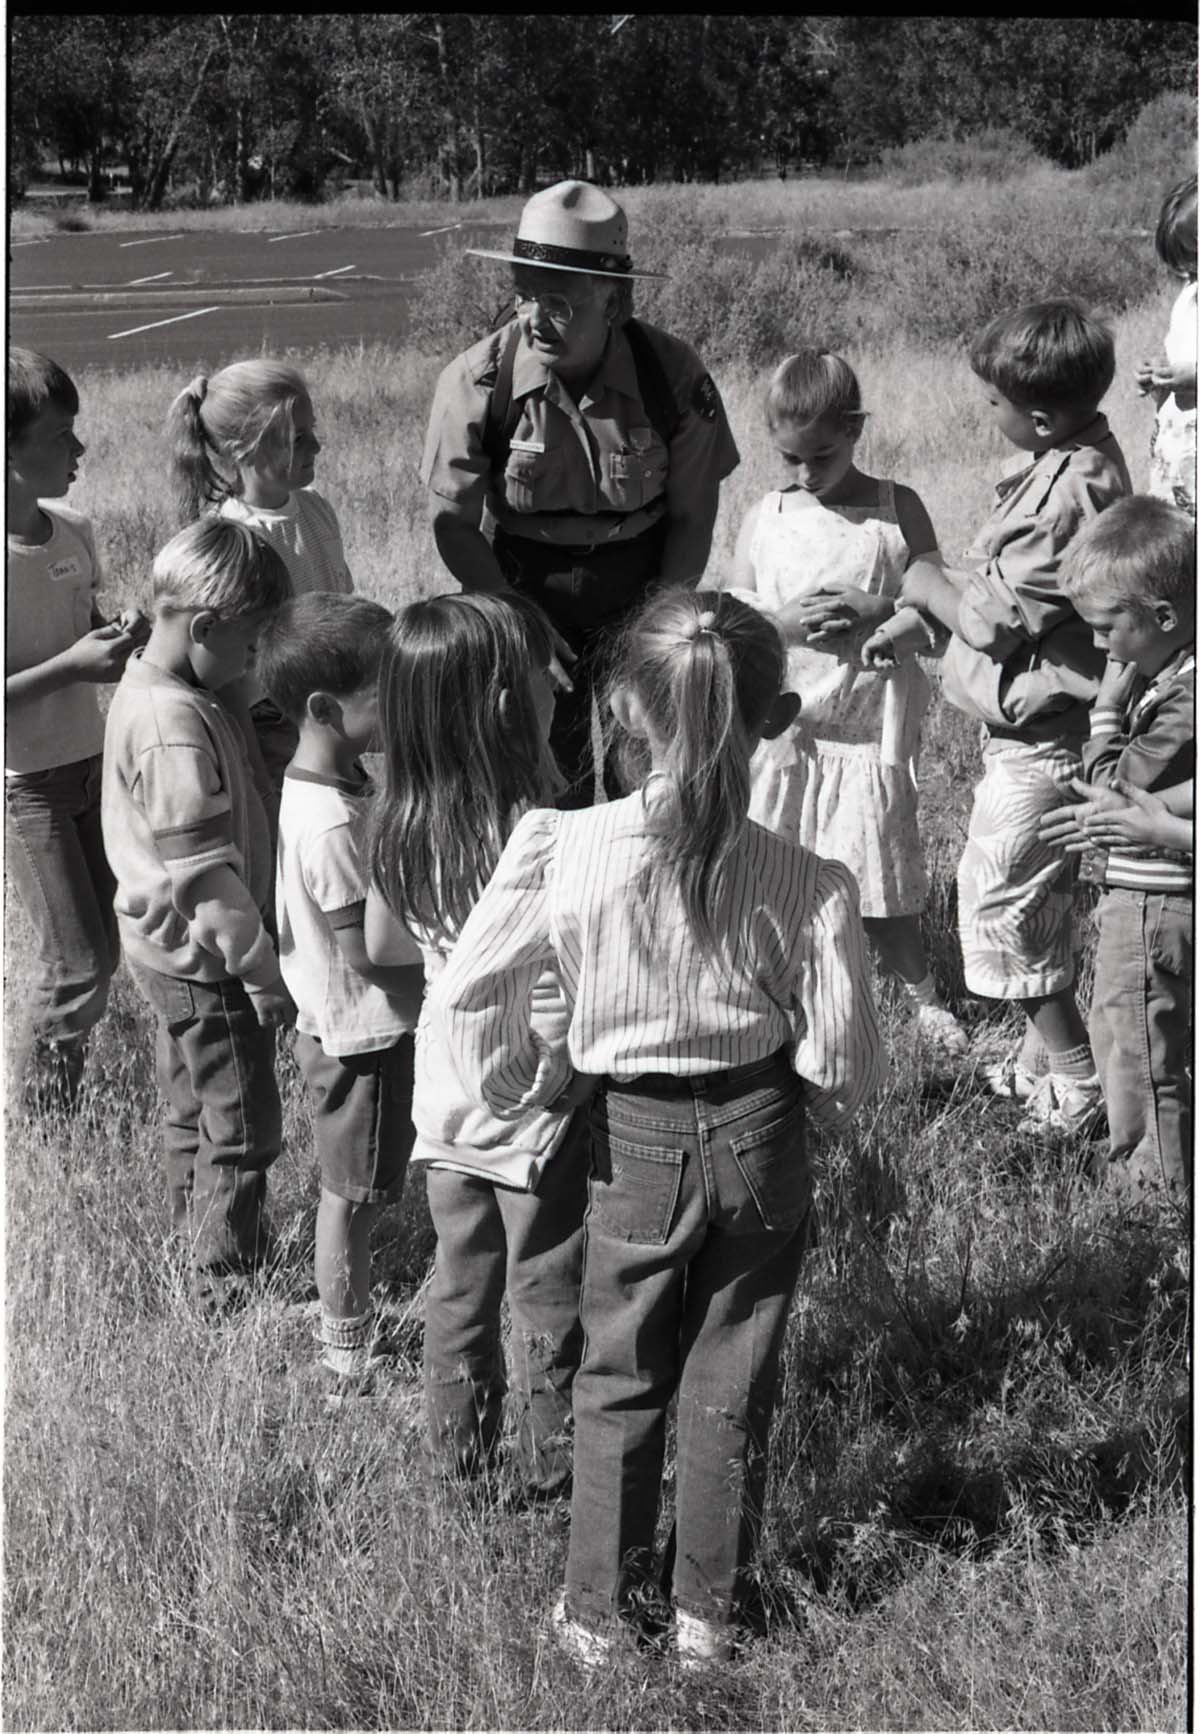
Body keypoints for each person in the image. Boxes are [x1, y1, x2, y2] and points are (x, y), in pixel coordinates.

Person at [431, 587, 882, 1667]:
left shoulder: (563, 845)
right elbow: (848, 1058)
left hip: (629, 1135)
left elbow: (465, 991)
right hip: (762, 1124)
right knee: (734, 1372)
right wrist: (812, 1110)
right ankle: (706, 1618)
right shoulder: (807, 878)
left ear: (623, 712)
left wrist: (530, 1082)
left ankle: (597, 1617)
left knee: (619, 1370)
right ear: (774, 720)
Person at [865, 299, 1131, 1134]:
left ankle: (1078, 1081)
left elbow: (990, 618)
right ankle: (1036, 1066)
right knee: (1039, 901)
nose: (988, 414)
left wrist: (920, 580)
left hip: (1046, 744)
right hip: (1037, 735)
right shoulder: (1077, 458)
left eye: (995, 404)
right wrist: (920, 617)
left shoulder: (1065, 495)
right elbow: (1004, 591)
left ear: (1041, 418)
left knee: (1000, 905)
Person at [364, 593, 590, 1495]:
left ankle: (458, 1470)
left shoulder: (396, 823)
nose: (556, 686)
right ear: (505, 702)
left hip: (447, 1094)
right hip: (538, 1095)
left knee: (460, 1287)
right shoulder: (546, 827)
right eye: (543, 673)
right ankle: (553, 1470)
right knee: (547, 1290)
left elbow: (384, 950)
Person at [421, 179, 740, 806]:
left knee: (644, 778)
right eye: (524, 297)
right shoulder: (477, 382)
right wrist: (517, 623)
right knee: (539, 787)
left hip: (642, 586)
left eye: (559, 303)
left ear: (613, 304)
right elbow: (454, 526)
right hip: (519, 586)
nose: (535, 318)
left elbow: (694, 514)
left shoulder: (673, 377)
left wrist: (655, 632)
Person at [722, 348, 968, 1056]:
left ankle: (922, 1000)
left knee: (877, 880)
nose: (804, 474)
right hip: (786, 731)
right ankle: (773, 991)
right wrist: (782, 624)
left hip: (865, 736)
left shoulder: (895, 510)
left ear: (856, 430)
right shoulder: (765, 515)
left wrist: (877, 606)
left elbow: (938, 613)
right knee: (770, 870)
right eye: (788, 458)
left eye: (821, 456)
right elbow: (733, 618)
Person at [101, 519, 293, 1311]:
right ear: (206, 627)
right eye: (249, 648)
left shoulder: (160, 691)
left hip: (161, 953)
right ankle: (223, 1282)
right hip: (206, 962)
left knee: (190, 1106)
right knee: (246, 1124)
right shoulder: (173, 733)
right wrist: (264, 973)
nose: (252, 667)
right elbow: (208, 885)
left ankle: (193, 1236)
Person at [254, 593, 425, 1395]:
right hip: (363, 1038)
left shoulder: (341, 782)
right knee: (349, 1199)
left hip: (354, 1031)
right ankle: (346, 1357)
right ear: (325, 708)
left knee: (354, 1191)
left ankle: (346, 1335)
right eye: (386, 692)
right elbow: (369, 951)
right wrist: (454, 967)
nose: (404, 705)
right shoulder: (327, 821)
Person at [1038, 497, 1194, 1195]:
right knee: (1133, 1037)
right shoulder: (1171, 676)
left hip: (1154, 902)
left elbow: (1113, 781)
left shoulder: (1182, 698)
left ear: (1162, 618)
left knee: (1139, 1055)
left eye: (1107, 629)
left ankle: (1153, 1204)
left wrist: (1107, 702)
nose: (1101, 646)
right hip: (1145, 896)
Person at [6, 346, 146, 1117]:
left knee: (104, 954)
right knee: (76, 965)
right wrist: (73, 664)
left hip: (92, 768)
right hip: (28, 786)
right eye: (61, 435)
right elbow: (62, 662)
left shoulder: (74, 531)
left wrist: (118, 635)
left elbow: (85, 630)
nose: (79, 450)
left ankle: (60, 1106)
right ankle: (39, 1131)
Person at [166, 360, 353, 797]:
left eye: (313, 431)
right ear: (243, 448)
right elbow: (226, 676)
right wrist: (252, 773)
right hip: (270, 723)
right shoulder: (232, 537)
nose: (317, 446)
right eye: (298, 438)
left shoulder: (316, 508)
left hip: (328, 704)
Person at [1137, 175, 1196, 512]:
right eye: (1188, 271)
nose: (1193, 279)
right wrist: (1158, 374)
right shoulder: (1189, 299)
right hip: (1178, 458)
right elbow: (1183, 354)